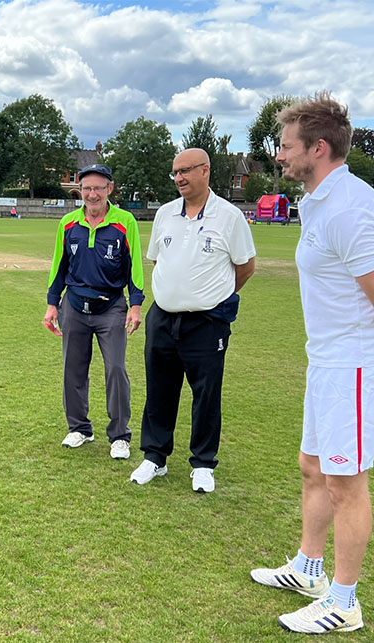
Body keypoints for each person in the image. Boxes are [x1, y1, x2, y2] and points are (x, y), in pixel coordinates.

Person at [250, 92, 374, 634]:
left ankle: (344, 601)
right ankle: (308, 570)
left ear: (318, 146)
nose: (280, 155)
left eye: (286, 146)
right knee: (312, 466)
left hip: (357, 365)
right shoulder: (318, 199)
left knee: (345, 482)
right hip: (329, 359)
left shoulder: (349, 206)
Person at [130, 149, 256, 492]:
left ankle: (203, 463)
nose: (180, 178)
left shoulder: (229, 217)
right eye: (175, 172)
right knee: (159, 390)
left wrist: (213, 297)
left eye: (186, 171)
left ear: (206, 171)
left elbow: (245, 267)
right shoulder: (165, 214)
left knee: (206, 393)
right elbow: (160, 261)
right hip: (163, 319)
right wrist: (176, 294)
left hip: (207, 323)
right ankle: (155, 458)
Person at [44, 163, 144, 460]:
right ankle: (79, 429)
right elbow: (58, 266)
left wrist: (135, 305)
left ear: (109, 189)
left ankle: (119, 436)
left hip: (111, 306)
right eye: (87, 188)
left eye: (98, 188)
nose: (92, 194)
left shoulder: (125, 222)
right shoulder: (68, 223)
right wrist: (52, 303)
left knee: (115, 369)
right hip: (73, 305)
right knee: (72, 369)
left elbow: (134, 266)